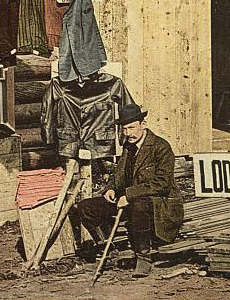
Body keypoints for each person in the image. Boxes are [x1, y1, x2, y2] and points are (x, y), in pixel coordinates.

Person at [72, 103, 184, 278]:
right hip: (129, 200)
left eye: (131, 128)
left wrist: (129, 195)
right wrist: (110, 189)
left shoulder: (160, 147)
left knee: (139, 205)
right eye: (124, 129)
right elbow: (119, 174)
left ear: (143, 124)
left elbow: (162, 183)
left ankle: (143, 258)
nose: (128, 133)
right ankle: (109, 249)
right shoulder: (128, 146)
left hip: (158, 204)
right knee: (86, 207)